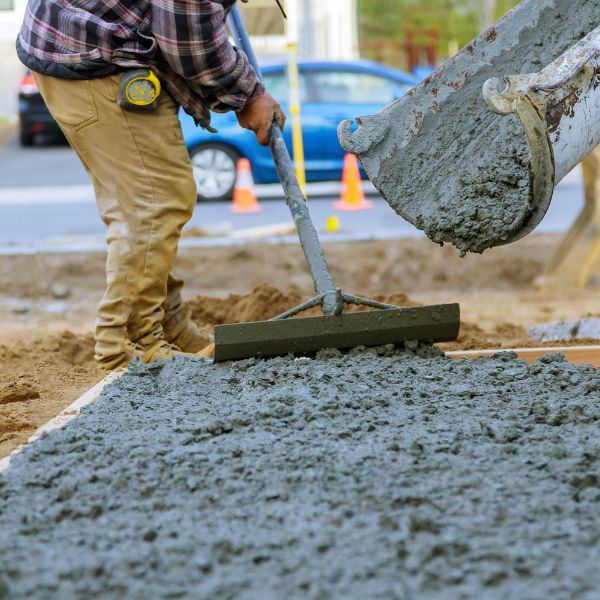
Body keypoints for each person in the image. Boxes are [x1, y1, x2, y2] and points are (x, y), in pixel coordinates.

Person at [16, 0, 285, 370]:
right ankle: (131, 345)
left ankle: (166, 326)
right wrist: (248, 93)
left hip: (84, 42)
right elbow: (187, 39)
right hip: (95, 54)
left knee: (148, 203)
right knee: (154, 204)